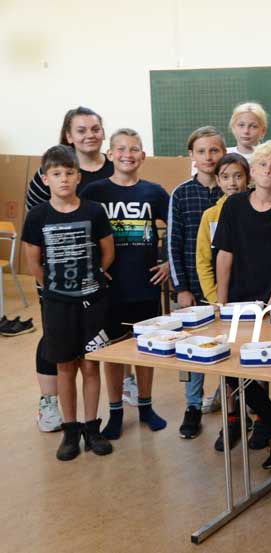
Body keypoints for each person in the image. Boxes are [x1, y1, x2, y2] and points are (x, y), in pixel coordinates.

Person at [213, 140, 271, 469]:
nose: (268, 171)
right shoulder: (234, 205)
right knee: (232, 368)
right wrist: (222, 302)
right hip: (239, 298)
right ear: (252, 171)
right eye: (263, 165)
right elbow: (224, 254)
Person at [25, 106, 116, 433]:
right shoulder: (40, 209)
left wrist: (96, 273)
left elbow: (107, 248)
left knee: (92, 362)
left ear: (78, 176)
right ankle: (60, 416)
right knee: (62, 358)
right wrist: (49, 284)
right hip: (57, 296)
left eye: (95, 128)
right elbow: (34, 256)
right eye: (81, 130)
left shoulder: (98, 199)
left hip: (93, 294)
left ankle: (93, 424)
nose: (63, 179)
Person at [81, 129, 170, 439]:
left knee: (145, 348)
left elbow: (178, 228)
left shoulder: (154, 192)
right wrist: (94, 268)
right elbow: (82, 231)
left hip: (145, 285)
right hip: (109, 289)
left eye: (134, 149)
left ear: (143, 156)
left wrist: (168, 262)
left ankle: (146, 406)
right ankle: (116, 411)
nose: (127, 155)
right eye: (120, 149)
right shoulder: (94, 191)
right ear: (110, 154)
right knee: (114, 351)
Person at [168, 126, 226, 439]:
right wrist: (181, 288)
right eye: (201, 151)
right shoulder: (181, 193)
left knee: (228, 346)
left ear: (224, 153)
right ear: (191, 155)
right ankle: (192, 406)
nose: (208, 157)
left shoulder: (233, 191)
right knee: (192, 348)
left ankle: (232, 407)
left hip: (229, 289)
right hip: (192, 288)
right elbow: (173, 243)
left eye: (214, 150)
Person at [194, 153, 247, 419]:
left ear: (248, 178)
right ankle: (233, 416)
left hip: (251, 298)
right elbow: (203, 261)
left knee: (252, 359)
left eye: (238, 176)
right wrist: (216, 300)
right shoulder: (210, 216)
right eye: (225, 177)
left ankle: (258, 417)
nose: (232, 183)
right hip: (223, 301)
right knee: (226, 360)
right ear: (217, 180)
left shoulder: (256, 210)